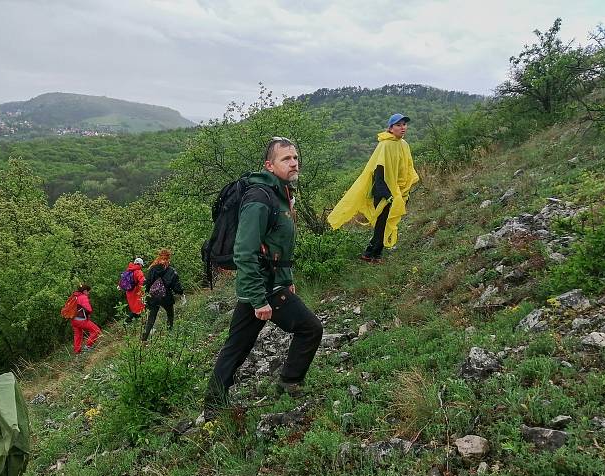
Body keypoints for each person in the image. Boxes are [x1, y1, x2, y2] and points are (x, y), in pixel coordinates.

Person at [205, 137, 323, 414]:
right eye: (286, 159)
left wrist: (289, 278)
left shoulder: (282, 193)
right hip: (263, 285)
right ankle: (289, 384)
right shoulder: (260, 198)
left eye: (295, 157)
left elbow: (280, 245)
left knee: (237, 346)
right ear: (269, 165)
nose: (294, 163)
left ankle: (213, 403)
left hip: (269, 281)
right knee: (310, 329)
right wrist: (258, 299)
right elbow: (245, 252)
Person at [327, 113, 419, 262]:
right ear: (390, 128)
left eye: (404, 124)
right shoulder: (385, 145)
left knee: (386, 222)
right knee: (382, 223)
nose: (403, 128)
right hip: (383, 192)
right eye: (398, 125)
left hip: (397, 191)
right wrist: (387, 195)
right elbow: (379, 174)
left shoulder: (404, 145)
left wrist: (403, 190)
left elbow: (406, 168)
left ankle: (374, 253)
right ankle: (371, 254)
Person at [141, 249, 185, 341]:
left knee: (151, 318)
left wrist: (145, 294)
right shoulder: (171, 270)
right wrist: (181, 293)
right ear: (169, 258)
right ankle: (169, 335)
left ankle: (144, 339)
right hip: (166, 296)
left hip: (153, 296)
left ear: (159, 256)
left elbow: (147, 282)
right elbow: (176, 286)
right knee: (170, 315)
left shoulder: (152, 268)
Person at [123, 257, 146, 322]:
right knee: (140, 308)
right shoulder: (138, 271)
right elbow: (142, 281)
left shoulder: (128, 271)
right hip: (137, 292)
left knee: (134, 309)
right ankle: (128, 322)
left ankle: (128, 322)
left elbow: (122, 281)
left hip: (129, 292)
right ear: (140, 264)